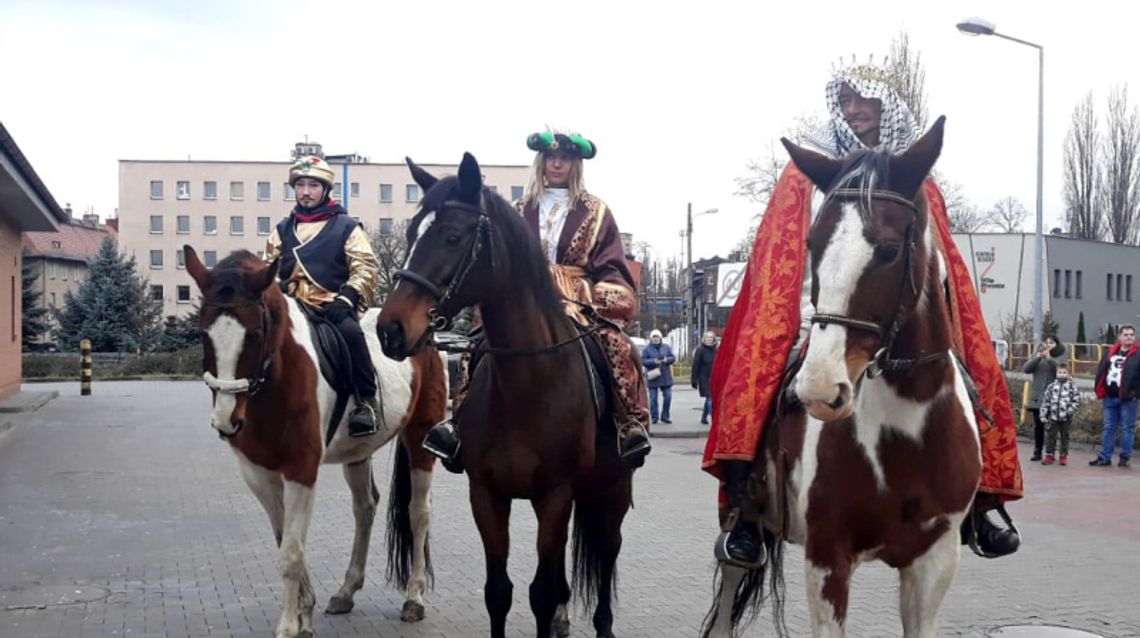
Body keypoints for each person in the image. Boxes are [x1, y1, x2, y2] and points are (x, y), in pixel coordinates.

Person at [704, 60, 1024, 569]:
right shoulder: (808, 173)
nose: (853, 111)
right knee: (761, 377)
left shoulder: (911, 174)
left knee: (968, 375)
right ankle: (746, 506)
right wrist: (809, 312)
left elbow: (934, 252)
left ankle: (979, 499)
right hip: (819, 308)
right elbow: (785, 255)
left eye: (863, 100)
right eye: (845, 101)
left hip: (894, 310)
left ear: (885, 106)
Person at [423, 131, 651, 469]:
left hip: (577, 296)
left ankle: (626, 421)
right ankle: (458, 424)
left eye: (565, 158)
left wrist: (600, 295)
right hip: (522, 297)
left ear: (576, 165)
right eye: (550, 157)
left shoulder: (597, 211)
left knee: (614, 342)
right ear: (540, 162)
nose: (557, 163)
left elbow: (613, 267)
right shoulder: (518, 209)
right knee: (477, 344)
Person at [265, 156, 382, 437]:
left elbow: (365, 267)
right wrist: (276, 288)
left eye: (312, 185)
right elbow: (271, 270)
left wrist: (348, 298)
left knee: (352, 334)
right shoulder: (281, 230)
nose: (305, 191)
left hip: (332, 306)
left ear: (325, 189)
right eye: (300, 185)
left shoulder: (346, 227)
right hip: (293, 306)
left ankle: (366, 401)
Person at [1090, 325, 1140, 468]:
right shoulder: (1110, 352)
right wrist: (1099, 389)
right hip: (1109, 396)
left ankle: (1125, 458)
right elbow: (1101, 371)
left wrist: (1135, 393)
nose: (1129, 337)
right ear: (1120, 337)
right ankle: (1105, 457)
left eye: (1131, 334)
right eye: (1126, 334)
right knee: (1108, 427)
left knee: (1127, 428)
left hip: (1129, 399)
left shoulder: (1138, 354)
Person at [1024, 336, 1066, 461]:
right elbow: (1026, 369)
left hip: (1054, 397)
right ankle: (1037, 451)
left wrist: (1049, 359)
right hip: (1038, 398)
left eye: (1051, 343)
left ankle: (1051, 452)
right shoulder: (1039, 357)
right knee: (1039, 426)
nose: (1048, 345)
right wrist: (1037, 357)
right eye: (1046, 342)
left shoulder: (1060, 357)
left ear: (1056, 344)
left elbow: (1062, 370)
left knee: (1053, 427)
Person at [1039, 364, 1081, 466]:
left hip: (1066, 417)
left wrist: (1069, 410)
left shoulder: (1072, 387)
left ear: (1068, 374)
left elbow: (1077, 400)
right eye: (1060, 372)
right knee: (1051, 436)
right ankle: (1049, 455)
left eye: (1064, 373)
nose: (1062, 375)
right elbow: (1046, 401)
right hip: (1053, 416)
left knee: (1064, 437)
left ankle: (1063, 456)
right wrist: (1043, 414)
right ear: (1056, 373)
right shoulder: (1052, 386)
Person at [642, 329, 675, 424]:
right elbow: (643, 361)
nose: (656, 339)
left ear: (660, 338)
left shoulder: (666, 347)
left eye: (657, 337)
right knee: (653, 399)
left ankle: (665, 416)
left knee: (668, 397)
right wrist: (654, 361)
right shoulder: (647, 349)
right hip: (653, 376)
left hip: (665, 376)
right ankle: (654, 417)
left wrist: (666, 360)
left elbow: (673, 358)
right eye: (654, 337)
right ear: (651, 338)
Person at [691, 331, 718, 425]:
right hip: (704, 378)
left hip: (714, 377)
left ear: (714, 339)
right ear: (704, 339)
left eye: (711, 337)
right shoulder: (700, 350)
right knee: (710, 397)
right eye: (707, 337)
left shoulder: (716, 350)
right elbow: (695, 366)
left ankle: (704, 417)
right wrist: (694, 380)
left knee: (710, 398)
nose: (709, 339)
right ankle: (714, 418)